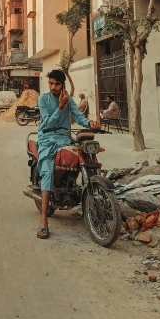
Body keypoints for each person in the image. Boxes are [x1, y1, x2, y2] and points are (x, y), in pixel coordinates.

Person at [36, 70, 100, 240]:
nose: (53, 87)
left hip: (65, 139)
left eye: (56, 84)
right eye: (51, 83)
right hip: (47, 140)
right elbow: (47, 122)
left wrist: (90, 122)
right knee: (48, 172)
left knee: (80, 159)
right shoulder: (43, 99)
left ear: (62, 84)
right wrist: (60, 106)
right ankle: (43, 222)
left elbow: (78, 116)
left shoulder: (68, 99)